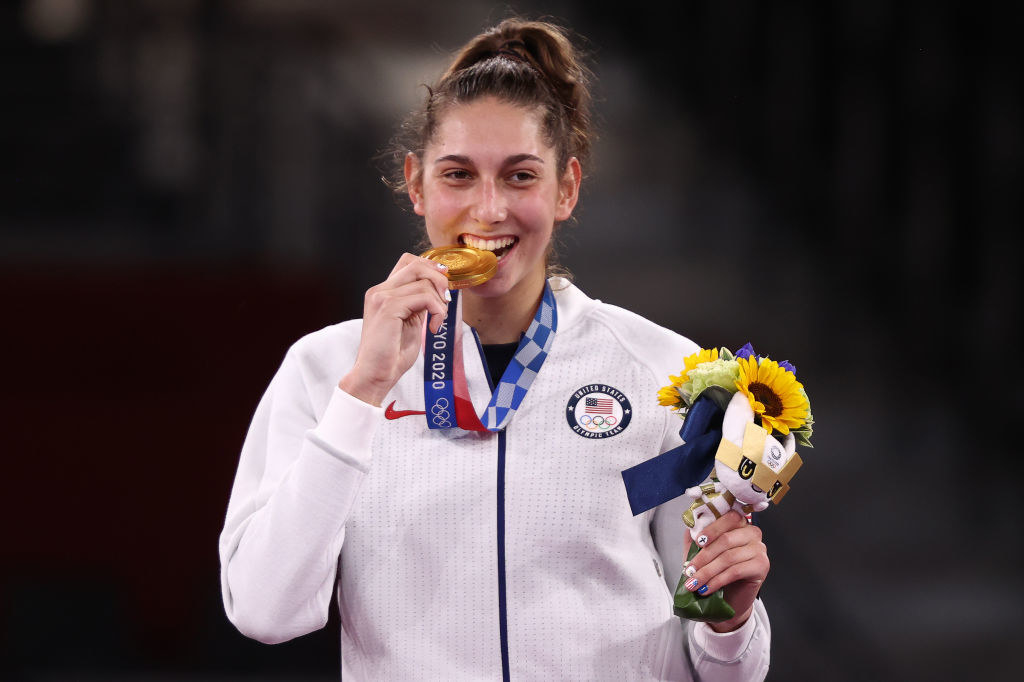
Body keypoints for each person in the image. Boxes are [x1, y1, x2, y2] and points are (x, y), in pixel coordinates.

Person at [219, 17, 771, 681]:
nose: (487, 210)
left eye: (519, 176)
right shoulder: (327, 370)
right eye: (457, 175)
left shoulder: (665, 373)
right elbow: (263, 610)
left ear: (565, 187)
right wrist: (363, 392)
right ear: (415, 183)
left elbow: (720, 667)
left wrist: (729, 623)